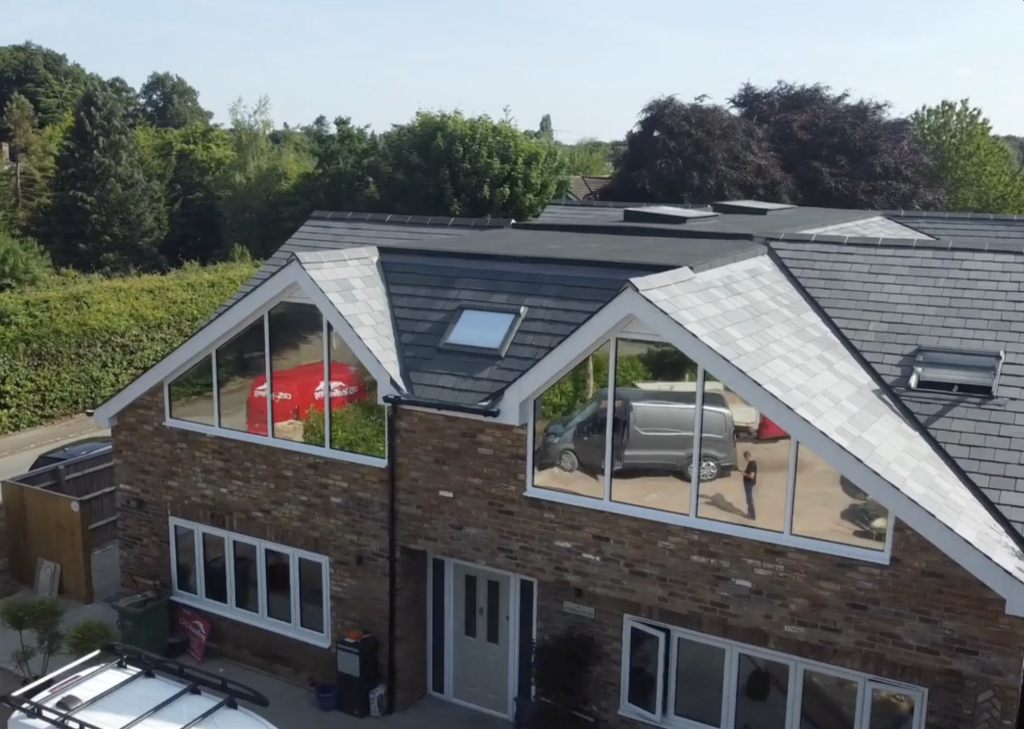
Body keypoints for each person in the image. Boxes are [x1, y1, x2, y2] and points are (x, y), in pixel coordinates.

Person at [742, 450, 758, 520]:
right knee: (748, 499)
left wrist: (744, 474)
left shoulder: (752, 464)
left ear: (747, 457)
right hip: (748, 483)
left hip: (749, 484)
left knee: (749, 499)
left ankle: (752, 515)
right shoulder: (751, 463)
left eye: (745, 458)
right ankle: (749, 513)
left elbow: (751, 476)